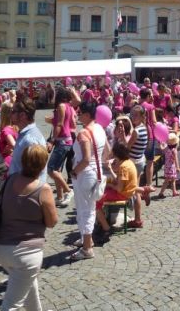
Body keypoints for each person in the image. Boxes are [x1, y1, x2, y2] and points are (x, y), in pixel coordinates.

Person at [0, 144, 57, 311]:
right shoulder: (43, 189)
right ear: (43, 165)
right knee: (11, 305)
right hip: (27, 254)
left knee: (29, 285)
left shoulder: (10, 179)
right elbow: (52, 222)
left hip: (2, 249)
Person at [71, 101, 107, 260]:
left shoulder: (83, 133)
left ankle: (87, 248)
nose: (78, 116)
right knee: (85, 208)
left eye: (80, 113)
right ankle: (86, 238)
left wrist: (74, 171)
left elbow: (85, 159)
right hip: (93, 173)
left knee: (86, 210)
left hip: (84, 174)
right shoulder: (100, 128)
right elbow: (108, 151)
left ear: (87, 114)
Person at [94, 142, 139, 237]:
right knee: (100, 194)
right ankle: (103, 220)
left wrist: (109, 185)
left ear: (116, 155)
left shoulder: (124, 167)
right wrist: (110, 170)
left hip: (123, 194)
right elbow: (119, 181)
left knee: (96, 200)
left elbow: (119, 188)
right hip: (125, 192)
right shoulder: (128, 162)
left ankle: (106, 227)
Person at [47, 87, 76, 208]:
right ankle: (59, 196)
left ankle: (68, 191)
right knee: (57, 170)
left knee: (51, 169)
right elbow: (72, 124)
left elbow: (59, 124)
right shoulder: (69, 106)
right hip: (66, 140)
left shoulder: (61, 106)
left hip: (62, 141)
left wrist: (52, 140)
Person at [8, 97, 47, 182]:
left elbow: (34, 175)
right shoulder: (24, 134)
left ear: (23, 115)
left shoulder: (30, 140)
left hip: (25, 192)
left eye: (13, 111)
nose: (10, 114)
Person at [0, 102, 18, 186]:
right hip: (13, 162)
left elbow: (14, 145)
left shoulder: (6, 130)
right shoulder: (15, 127)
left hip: (6, 163)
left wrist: (12, 150)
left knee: (5, 193)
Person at [157, 133, 180, 198]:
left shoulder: (167, 148)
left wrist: (160, 143)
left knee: (171, 180)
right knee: (169, 180)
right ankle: (161, 193)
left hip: (167, 166)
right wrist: (178, 167)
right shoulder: (174, 150)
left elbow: (162, 149)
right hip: (172, 167)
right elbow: (176, 159)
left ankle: (174, 191)